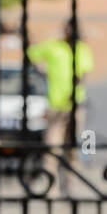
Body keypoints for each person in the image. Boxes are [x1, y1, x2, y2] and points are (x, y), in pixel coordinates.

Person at [27, 21, 94, 160]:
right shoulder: (54, 46)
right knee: (52, 148)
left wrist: (72, 92)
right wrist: (42, 70)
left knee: (73, 148)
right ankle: (51, 180)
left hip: (74, 103)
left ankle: (71, 179)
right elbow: (32, 53)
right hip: (56, 104)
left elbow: (83, 75)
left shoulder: (82, 49)